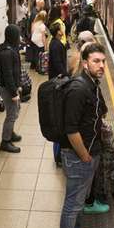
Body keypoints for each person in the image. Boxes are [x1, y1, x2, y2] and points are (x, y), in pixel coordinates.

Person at [57, 43, 108, 228]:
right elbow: (71, 129)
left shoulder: (92, 84)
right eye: (96, 61)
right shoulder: (79, 89)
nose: (101, 65)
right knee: (72, 206)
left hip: (89, 153)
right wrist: (85, 156)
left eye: (103, 61)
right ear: (85, 63)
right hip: (79, 156)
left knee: (78, 204)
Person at [0, 25, 23, 153]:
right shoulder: (7, 52)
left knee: (16, 110)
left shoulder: (6, 48)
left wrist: (18, 85)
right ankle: (5, 141)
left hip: (9, 87)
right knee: (12, 114)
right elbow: (8, 74)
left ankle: (11, 132)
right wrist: (13, 93)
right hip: (7, 88)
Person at [48, 20, 70, 168]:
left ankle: (58, 156)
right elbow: (57, 62)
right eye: (61, 29)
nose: (63, 30)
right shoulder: (56, 44)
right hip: (58, 78)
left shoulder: (56, 42)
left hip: (57, 77)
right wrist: (64, 74)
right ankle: (58, 157)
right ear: (57, 31)